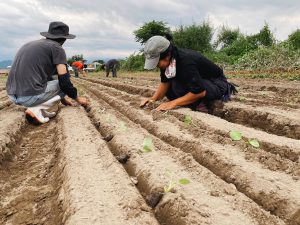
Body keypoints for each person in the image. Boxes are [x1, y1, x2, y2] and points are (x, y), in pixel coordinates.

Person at [6, 21, 88, 124]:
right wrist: (77, 98)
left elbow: (50, 78)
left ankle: (39, 108)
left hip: (12, 95)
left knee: (56, 80)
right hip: (28, 97)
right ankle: (35, 110)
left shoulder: (30, 44)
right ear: (64, 39)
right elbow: (64, 82)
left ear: (49, 35)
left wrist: (63, 99)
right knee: (64, 82)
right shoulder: (57, 48)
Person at [140, 35, 237, 112]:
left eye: (157, 62)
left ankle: (200, 105)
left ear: (167, 55)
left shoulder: (186, 61)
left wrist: (172, 103)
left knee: (178, 85)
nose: (156, 66)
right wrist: (152, 99)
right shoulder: (167, 63)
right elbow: (165, 83)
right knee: (171, 88)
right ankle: (190, 101)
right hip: (198, 82)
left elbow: (199, 91)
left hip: (216, 84)